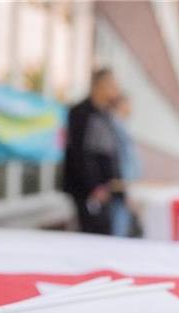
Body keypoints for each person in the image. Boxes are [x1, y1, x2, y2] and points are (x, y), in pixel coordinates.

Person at [62, 68, 121, 234]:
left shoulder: (106, 115)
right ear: (99, 85)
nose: (115, 88)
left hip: (107, 189)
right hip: (88, 191)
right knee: (91, 233)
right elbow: (79, 153)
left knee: (106, 232)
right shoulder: (79, 113)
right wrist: (94, 187)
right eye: (111, 84)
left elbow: (110, 153)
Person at [109, 94, 142, 237]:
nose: (131, 108)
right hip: (121, 188)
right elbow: (121, 161)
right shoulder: (115, 126)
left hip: (127, 186)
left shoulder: (122, 125)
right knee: (118, 228)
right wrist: (126, 192)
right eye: (128, 103)